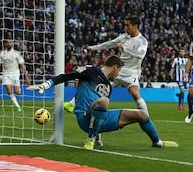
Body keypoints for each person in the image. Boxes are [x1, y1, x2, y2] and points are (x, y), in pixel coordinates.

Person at [27, 55, 178, 150]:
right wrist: (45, 85)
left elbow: (100, 113)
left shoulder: (108, 86)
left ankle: (157, 142)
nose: (118, 74)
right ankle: (90, 139)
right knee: (104, 101)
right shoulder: (90, 71)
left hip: (102, 119)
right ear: (115, 67)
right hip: (84, 117)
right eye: (119, 71)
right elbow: (66, 76)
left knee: (142, 115)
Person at [64, 15, 149, 146]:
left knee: (135, 93)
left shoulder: (142, 41)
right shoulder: (124, 37)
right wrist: (94, 48)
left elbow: (140, 54)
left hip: (131, 72)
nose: (126, 27)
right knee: (98, 93)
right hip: (117, 70)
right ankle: (92, 131)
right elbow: (110, 43)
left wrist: (124, 48)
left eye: (128, 25)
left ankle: (146, 117)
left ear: (135, 26)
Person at [0, 39, 31, 112]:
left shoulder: (17, 53)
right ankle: (17, 106)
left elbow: (22, 65)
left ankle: (18, 89)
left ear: (12, 43)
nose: (9, 43)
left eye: (10, 42)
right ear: (5, 44)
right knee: (9, 89)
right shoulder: (2, 54)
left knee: (17, 92)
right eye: (7, 42)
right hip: (6, 74)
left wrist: (26, 77)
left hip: (15, 74)